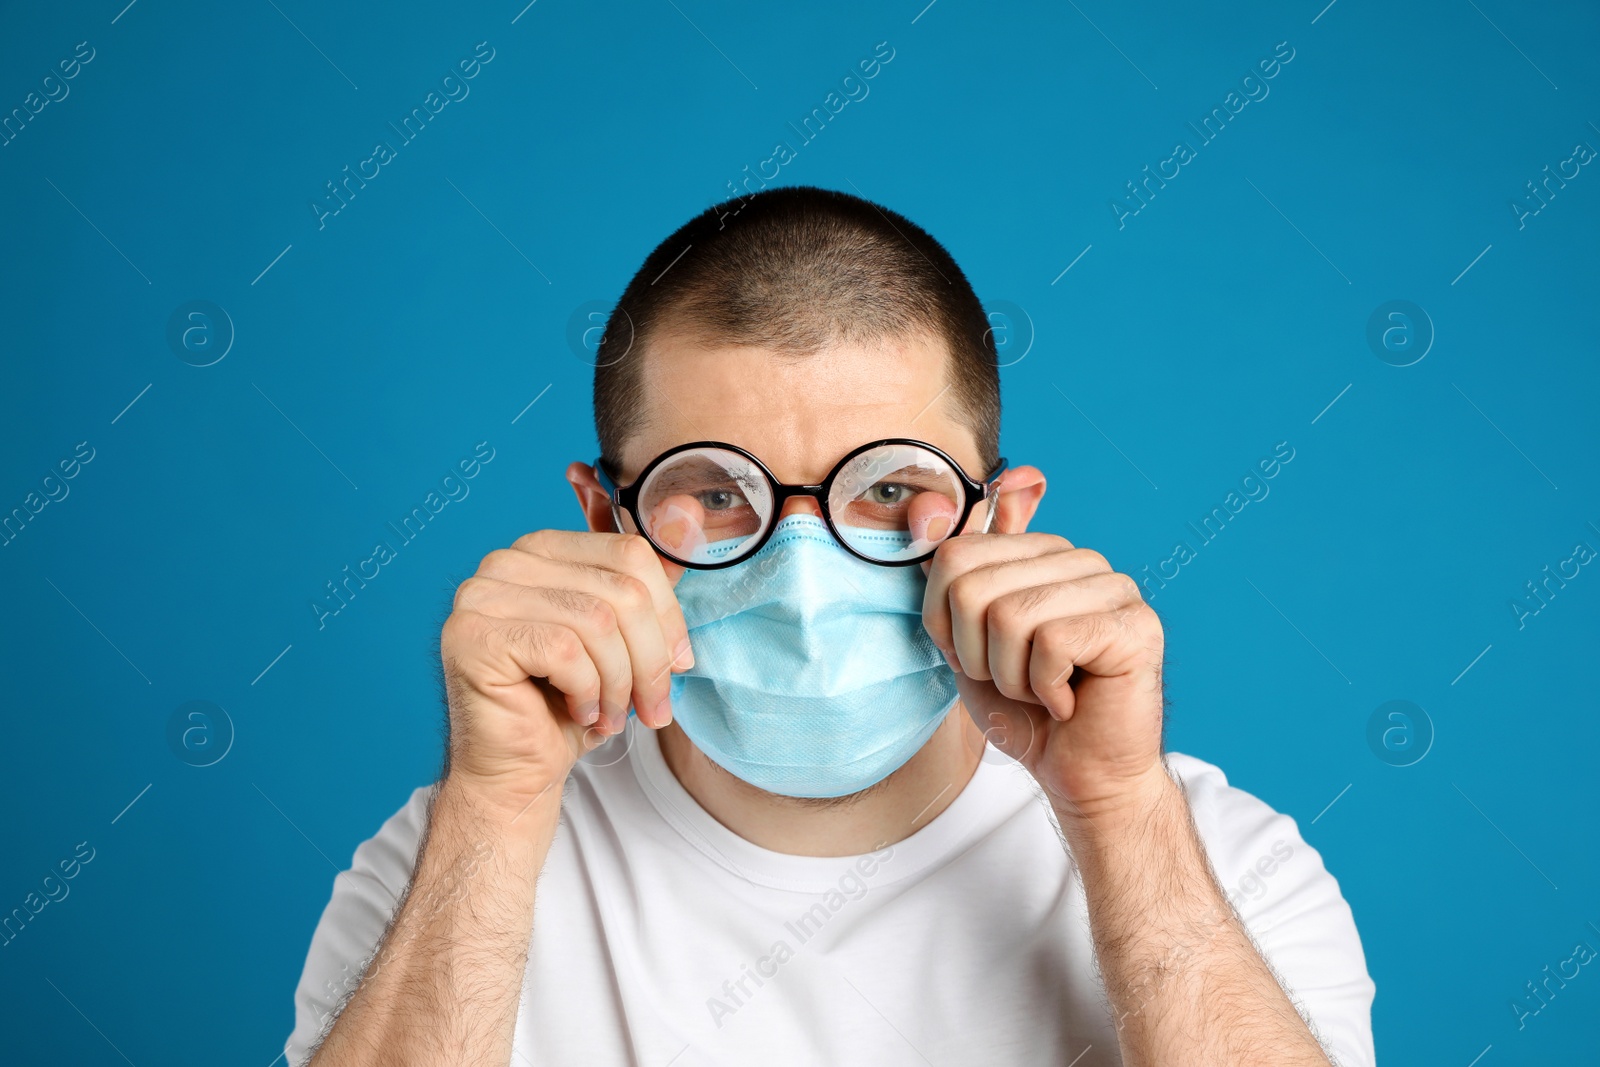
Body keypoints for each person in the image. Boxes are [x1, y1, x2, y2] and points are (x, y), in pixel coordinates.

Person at [283, 185, 1375, 1066]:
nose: (802, 579)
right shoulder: (437, 872)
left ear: (1002, 518)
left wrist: (1117, 805)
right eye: (716, 493)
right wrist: (501, 797)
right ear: (601, 522)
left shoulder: (1231, 864)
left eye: (890, 489)